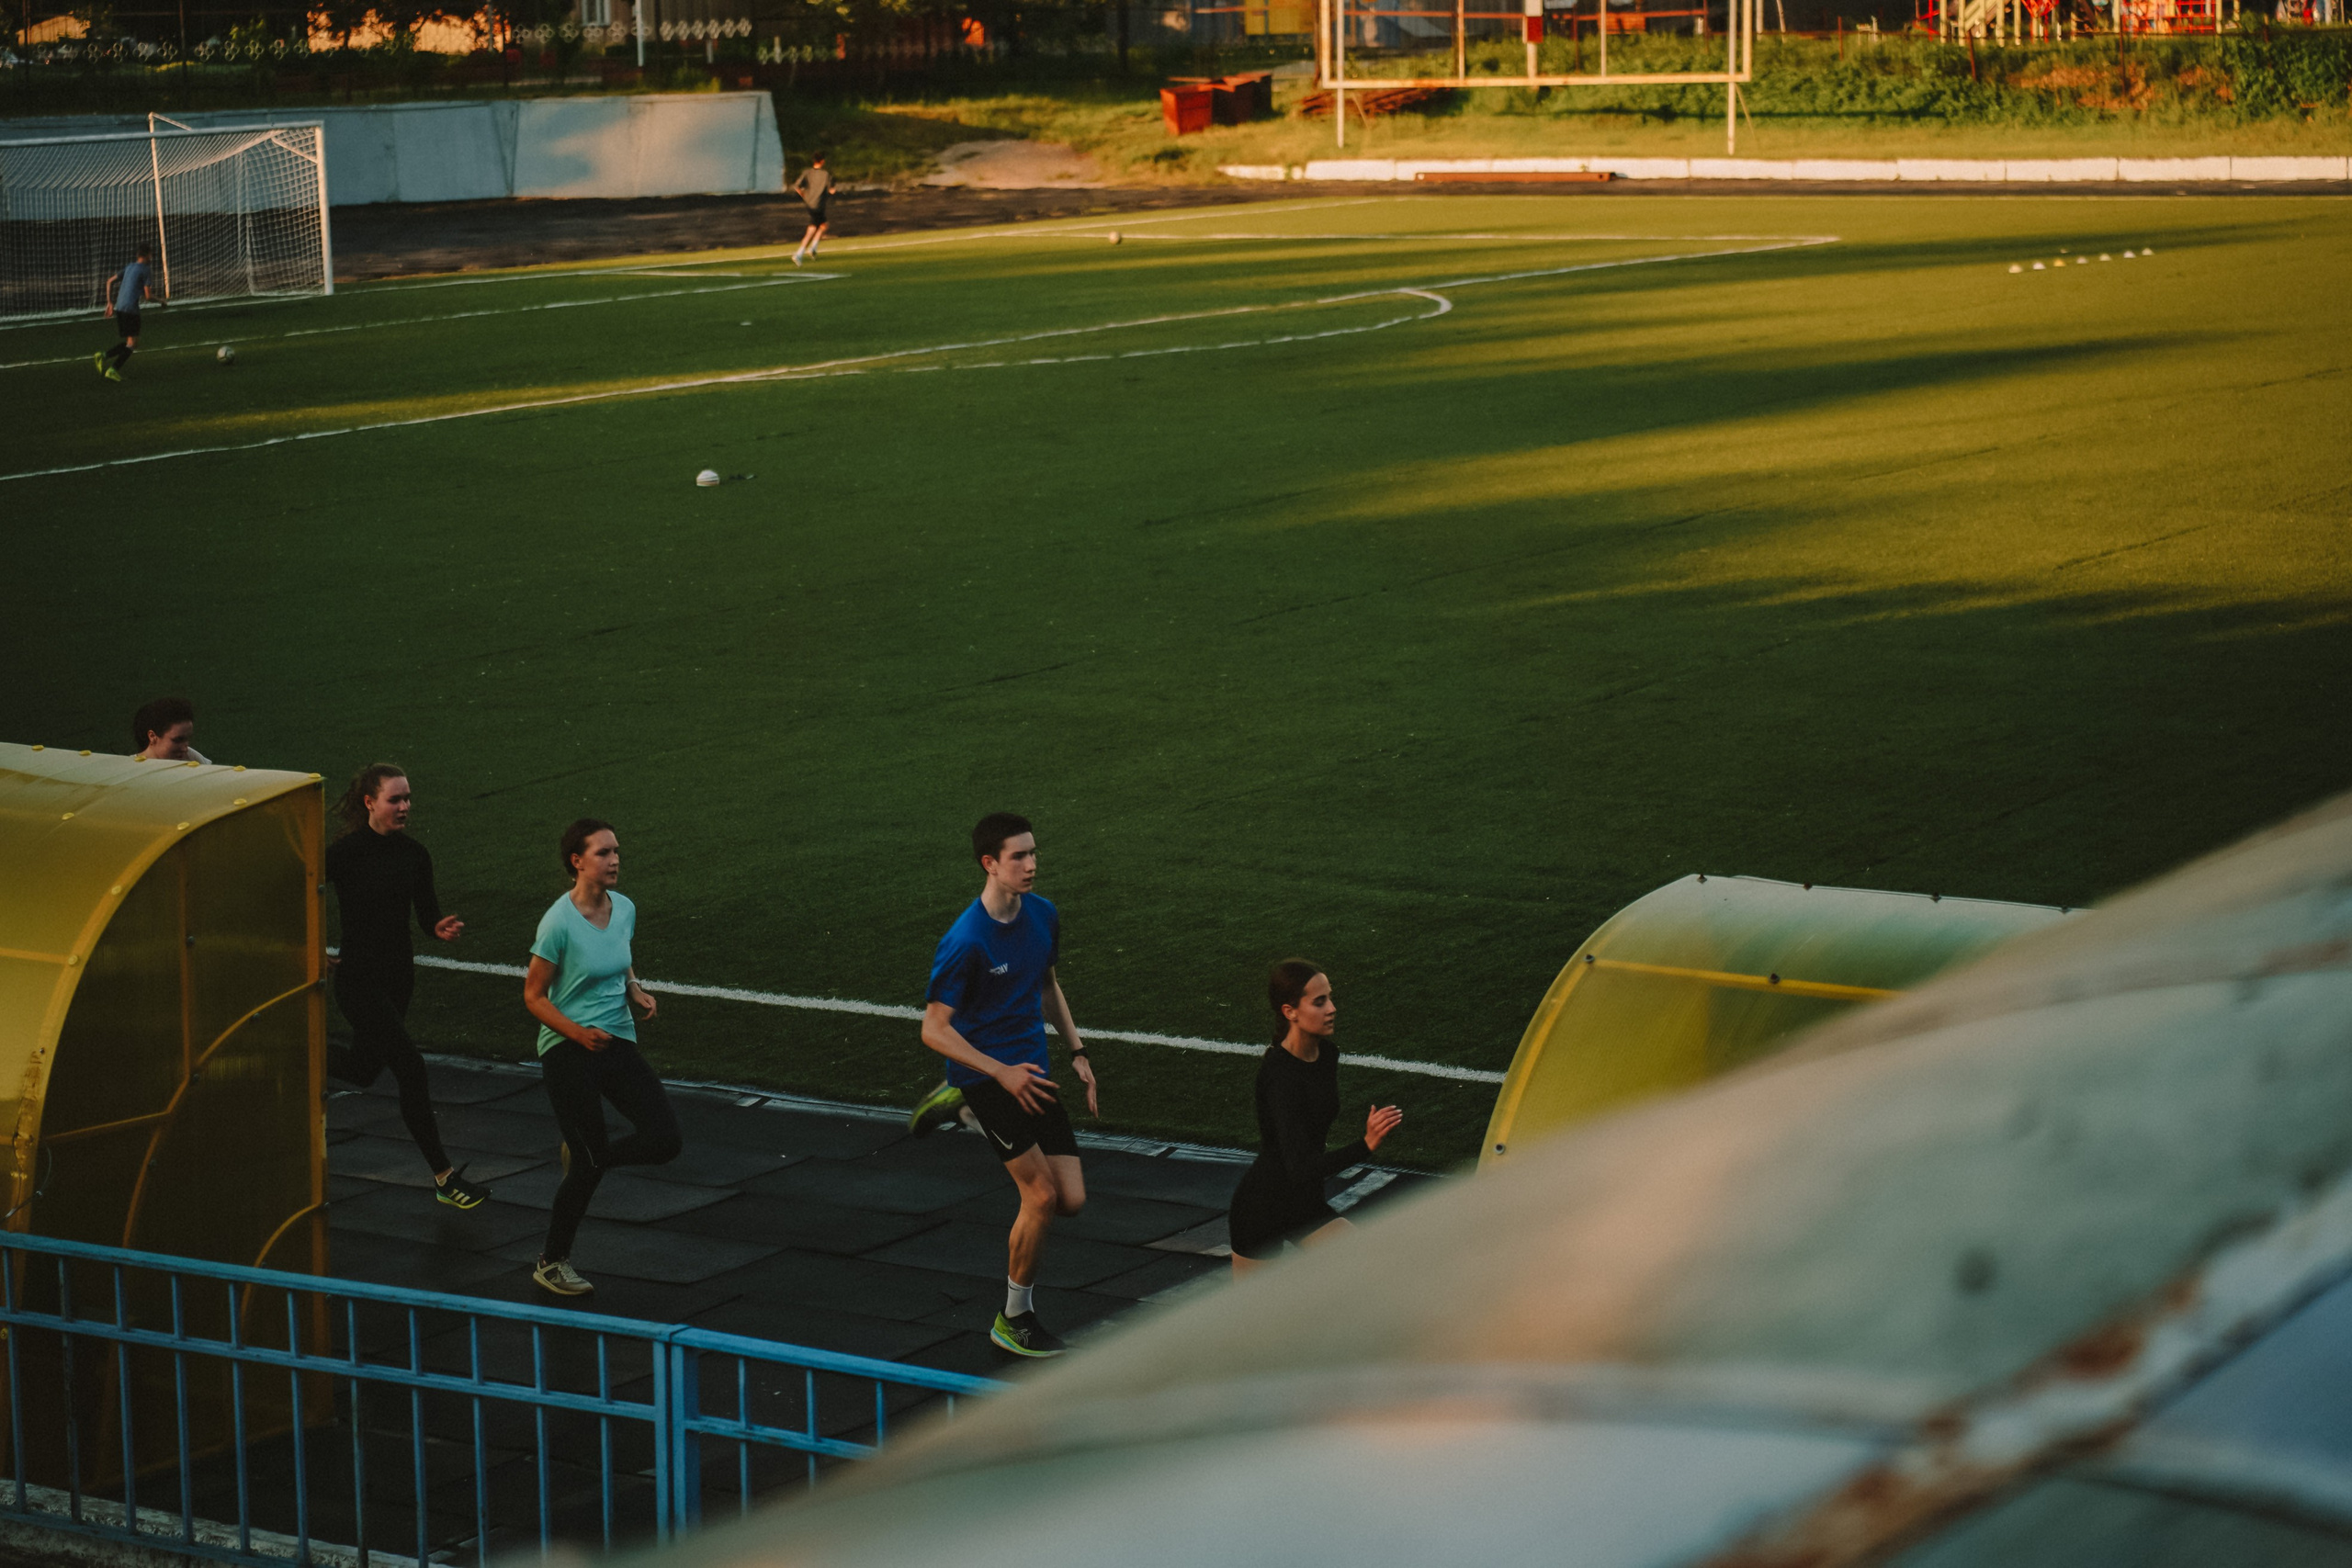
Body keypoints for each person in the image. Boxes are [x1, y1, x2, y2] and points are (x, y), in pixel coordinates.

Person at [920, 812, 1099, 1358]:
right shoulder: (966, 940)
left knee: (1071, 1199)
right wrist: (997, 1072)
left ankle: (961, 1113)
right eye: (1018, 856)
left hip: (1032, 1073)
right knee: (1039, 1197)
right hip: (988, 1076)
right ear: (990, 864)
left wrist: (1078, 1052)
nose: (1031, 864)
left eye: (1033, 852)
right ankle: (1014, 1319)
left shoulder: (1043, 914)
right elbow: (934, 1029)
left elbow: (1047, 985)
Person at [524, 818, 680, 1298]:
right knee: (588, 1163)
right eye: (603, 853)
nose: (615, 861)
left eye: (616, 851)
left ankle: (587, 1157)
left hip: (616, 1042)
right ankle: (552, 1264)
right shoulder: (557, 923)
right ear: (577, 861)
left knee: (664, 1140)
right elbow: (533, 996)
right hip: (568, 1050)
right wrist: (577, 1033)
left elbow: (620, 954)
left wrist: (634, 987)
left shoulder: (623, 907)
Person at [324, 764, 489, 1208]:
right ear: (369, 802)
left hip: (399, 979)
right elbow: (295, 894)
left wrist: (438, 927)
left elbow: (426, 913)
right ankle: (445, 1178)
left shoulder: (415, 854)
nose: (404, 807)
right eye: (395, 799)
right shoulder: (344, 854)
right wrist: (310, 948)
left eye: (407, 798)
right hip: (358, 981)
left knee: (363, 1070)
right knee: (411, 1068)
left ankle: (298, 1052)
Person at [1227, 960, 1403, 1277]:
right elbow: (1300, 1167)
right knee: (1260, 1310)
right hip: (1262, 1209)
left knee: (1371, 1269)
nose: (1332, 1008)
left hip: (1304, 1203)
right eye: (1319, 1002)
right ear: (1290, 1011)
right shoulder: (1279, 1076)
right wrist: (1365, 1145)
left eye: (1330, 998)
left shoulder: (1327, 1055)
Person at [96, 242, 155, 382]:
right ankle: (112, 369)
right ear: (148, 255)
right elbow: (148, 297)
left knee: (131, 342)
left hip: (120, 308)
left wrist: (109, 303)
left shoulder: (129, 267)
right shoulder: (146, 270)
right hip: (131, 310)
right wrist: (162, 301)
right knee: (132, 344)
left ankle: (103, 356)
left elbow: (109, 281)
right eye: (151, 254)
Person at [131, 695, 209, 763]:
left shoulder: (192, 757)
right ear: (152, 736)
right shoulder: (130, 769)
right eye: (177, 740)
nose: (185, 749)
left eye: (187, 739)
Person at [788, 154, 832, 267]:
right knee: (814, 229)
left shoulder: (807, 173)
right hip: (818, 205)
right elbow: (831, 189)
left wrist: (804, 196)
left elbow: (797, 186)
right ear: (822, 161)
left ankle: (812, 249)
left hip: (809, 205)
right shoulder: (825, 174)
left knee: (821, 226)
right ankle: (800, 253)